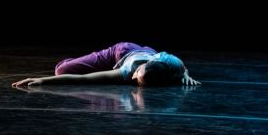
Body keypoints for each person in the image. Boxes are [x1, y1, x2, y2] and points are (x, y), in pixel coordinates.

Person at [11, 42, 200, 88]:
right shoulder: (169, 62)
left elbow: (84, 80)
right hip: (124, 50)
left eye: (137, 80)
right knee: (61, 68)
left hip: (128, 61)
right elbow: (182, 66)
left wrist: (44, 82)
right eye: (137, 73)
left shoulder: (125, 74)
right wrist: (185, 73)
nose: (133, 77)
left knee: (62, 73)